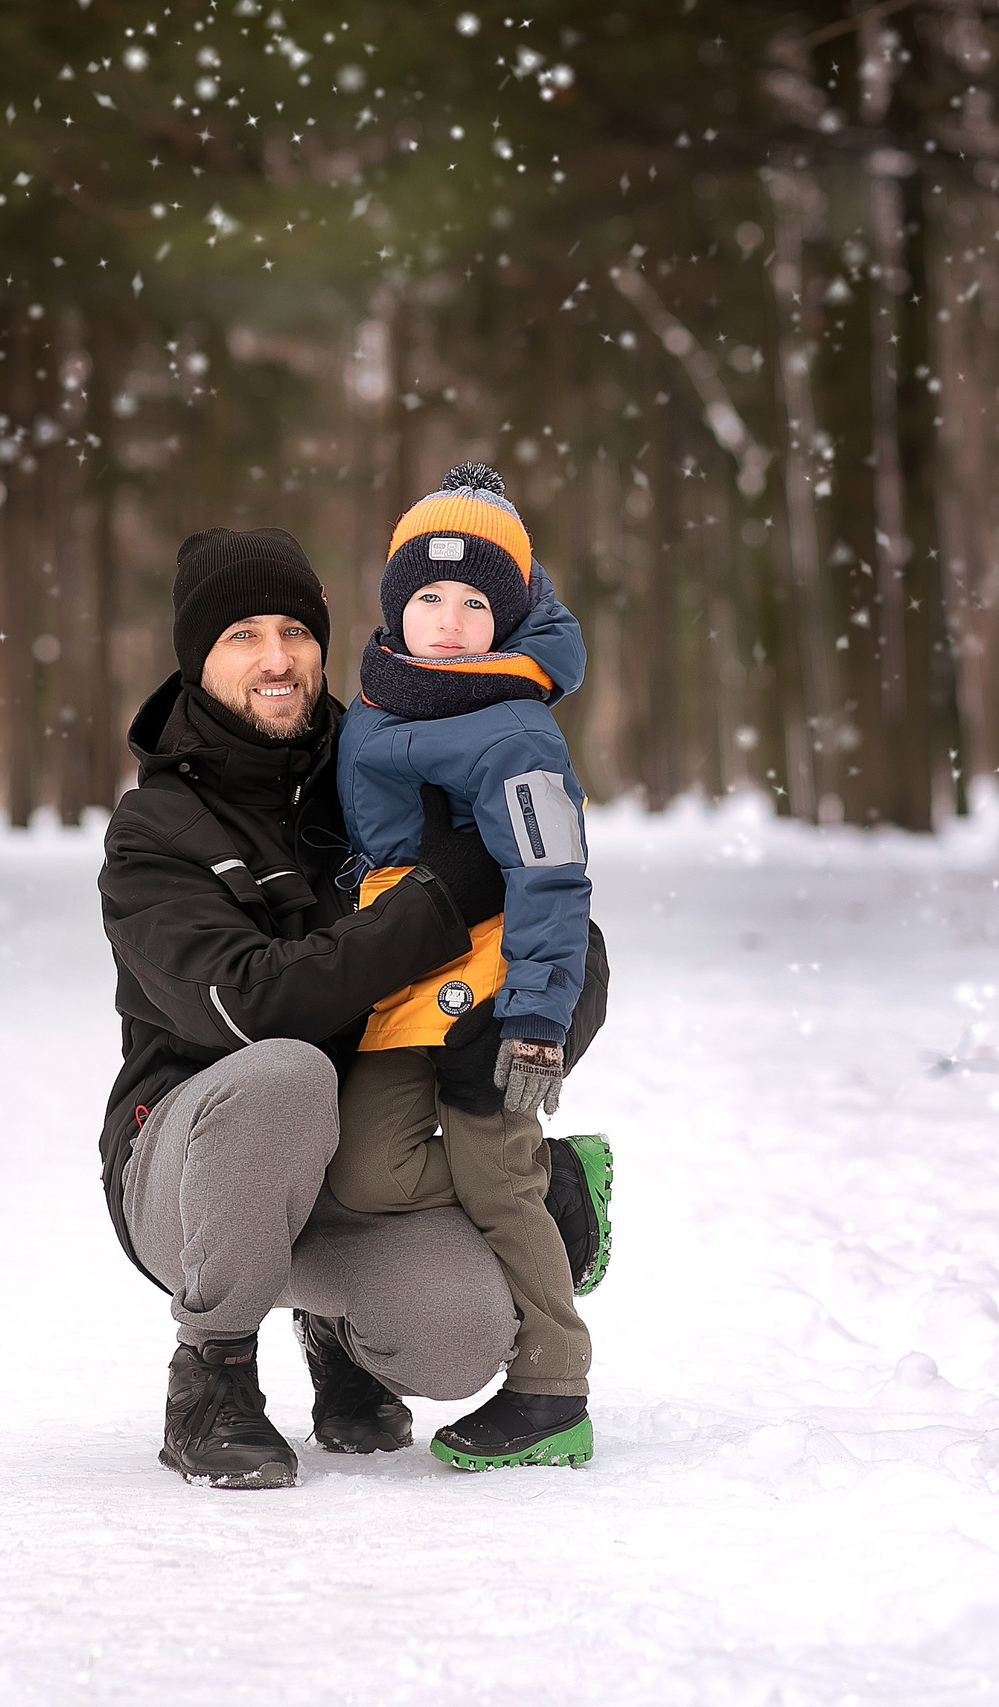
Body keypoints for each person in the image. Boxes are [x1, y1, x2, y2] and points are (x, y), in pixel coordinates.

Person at [98, 524, 606, 1490]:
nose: (279, 657)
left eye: (294, 628)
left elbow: (564, 917)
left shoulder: (387, 752)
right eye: (243, 634)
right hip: (189, 1161)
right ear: (198, 658)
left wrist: (513, 1031)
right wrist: (441, 905)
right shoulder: (154, 832)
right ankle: (213, 1369)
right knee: (284, 1072)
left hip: (356, 1153)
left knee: (459, 1337)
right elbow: (251, 1008)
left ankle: (354, 1328)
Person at [328, 463, 612, 1471]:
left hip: (489, 985)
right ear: (397, 607)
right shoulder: (377, 699)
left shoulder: (517, 729)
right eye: (428, 599)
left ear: (511, 615)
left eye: (475, 602)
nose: (447, 621)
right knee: (364, 1170)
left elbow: (552, 870)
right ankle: (563, 1177)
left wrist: (538, 1012)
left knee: (496, 1180)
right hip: (397, 973)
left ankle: (551, 1385)